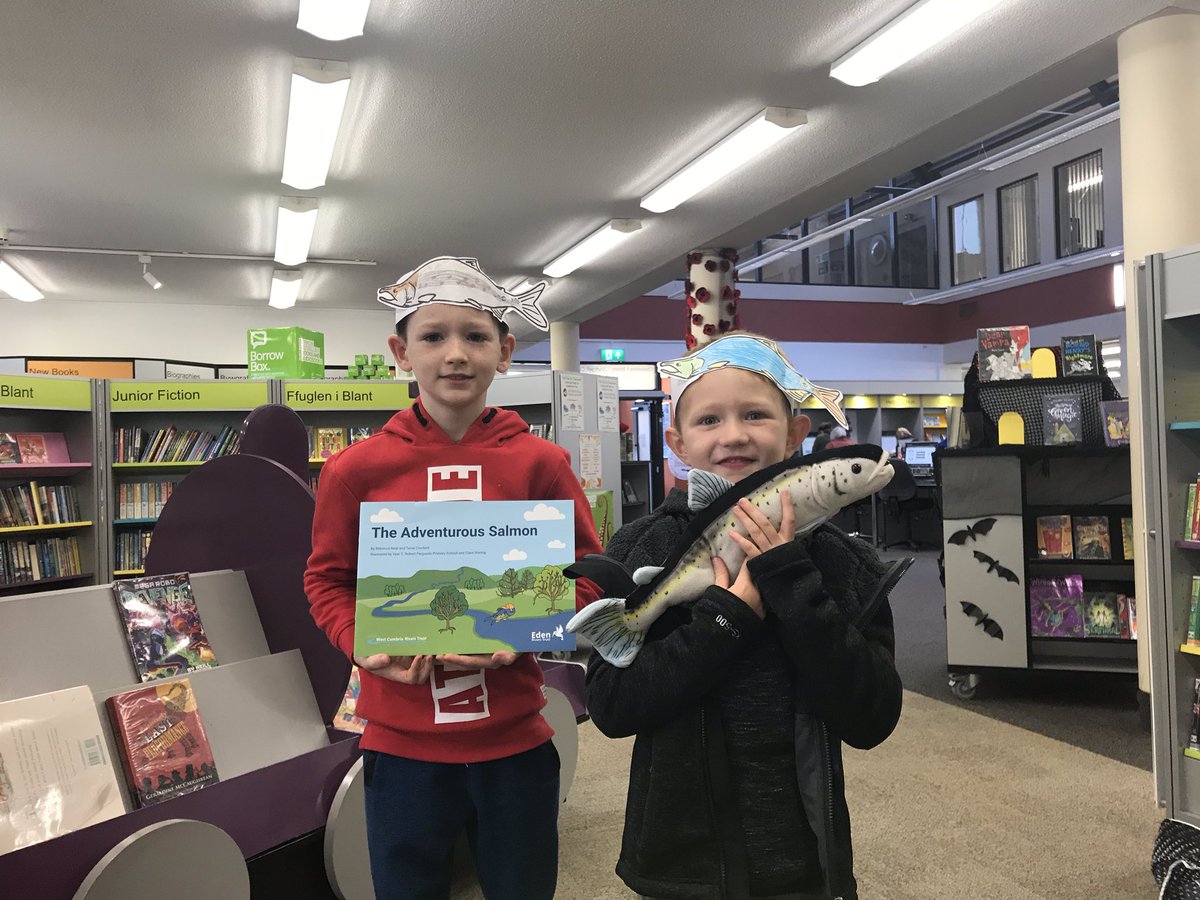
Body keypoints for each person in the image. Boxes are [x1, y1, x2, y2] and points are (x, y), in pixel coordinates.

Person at [304, 256, 603, 900]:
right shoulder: (355, 470)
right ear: (401, 353)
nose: (456, 354)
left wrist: (523, 633)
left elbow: (588, 576)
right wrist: (360, 642)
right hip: (402, 746)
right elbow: (327, 581)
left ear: (505, 352)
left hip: (515, 739)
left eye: (475, 336)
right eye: (433, 336)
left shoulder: (541, 463)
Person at [585, 332, 902, 900]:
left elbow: (872, 717)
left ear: (795, 433)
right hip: (676, 868)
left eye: (755, 414)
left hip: (804, 861)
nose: (733, 435)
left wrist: (793, 584)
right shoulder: (643, 546)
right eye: (709, 420)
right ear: (678, 442)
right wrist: (723, 621)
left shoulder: (845, 562)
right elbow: (611, 707)